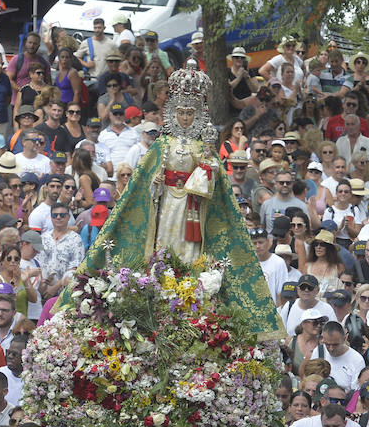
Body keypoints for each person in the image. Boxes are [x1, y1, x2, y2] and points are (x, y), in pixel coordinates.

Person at [77, 62, 283, 341]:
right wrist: (155, 186)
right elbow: (141, 184)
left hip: (193, 207)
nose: (185, 118)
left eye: (190, 113)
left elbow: (215, 182)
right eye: (181, 112)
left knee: (189, 250)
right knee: (164, 245)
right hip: (167, 206)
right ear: (173, 113)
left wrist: (205, 173)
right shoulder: (162, 145)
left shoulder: (203, 148)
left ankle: (187, 289)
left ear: (197, 115)